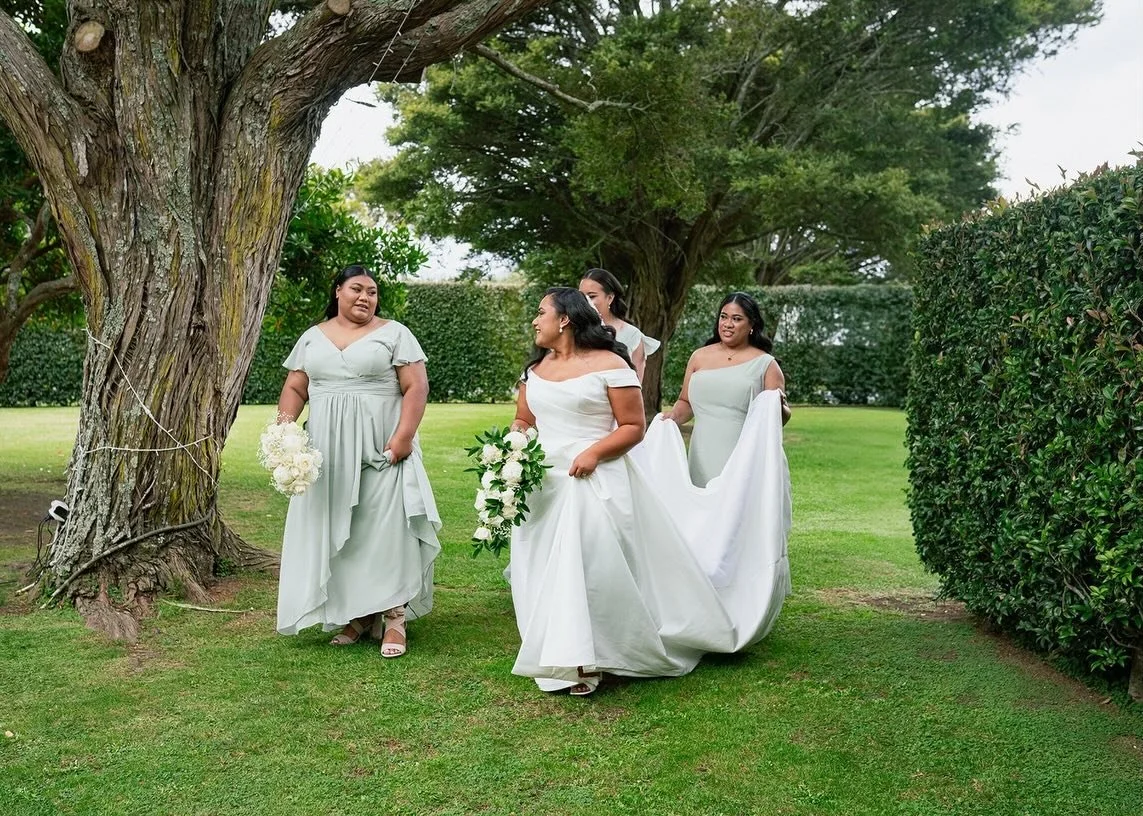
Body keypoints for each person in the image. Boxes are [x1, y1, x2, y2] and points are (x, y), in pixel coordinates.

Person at [506, 287, 790, 696]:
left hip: (594, 478)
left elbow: (632, 427)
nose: (535, 320)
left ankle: (589, 658)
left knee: (590, 566)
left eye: (541, 312)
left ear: (565, 319)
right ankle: (557, 646)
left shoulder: (609, 363)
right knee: (542, 562)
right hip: (543, 480)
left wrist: (594, 453)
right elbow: (524, 418)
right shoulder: (536, 369)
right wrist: (512, 446)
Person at [274, 265, 441, 658]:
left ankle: (395, 616)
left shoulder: (395, 333)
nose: (365, 297)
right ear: (337, 292)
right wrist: (285, 435)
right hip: (326, 453)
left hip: (382, 449)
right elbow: (296, 386)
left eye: (372, 291)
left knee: (385, 530)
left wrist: (402, 438)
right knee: (341, 532)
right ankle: (359, 615)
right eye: (357, 289)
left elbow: (416, 385)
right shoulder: (312, 338)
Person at [662, 292, 790, 487]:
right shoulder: (699, 357)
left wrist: (778, 405)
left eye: (736, 319)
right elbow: (686, 402)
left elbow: (779, 418)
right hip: (702, 452)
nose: (727, 324)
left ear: (751, 325)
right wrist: (672, 419)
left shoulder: (766, 365)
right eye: (724, 317)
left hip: (744, 455)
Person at [578, 268, 661, 382]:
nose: (586, 302)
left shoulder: (632, 335)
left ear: (610, 297)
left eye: (592, 296)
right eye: (582, 297)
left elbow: (636, 383)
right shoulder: (574, 329)